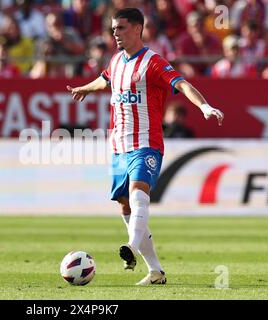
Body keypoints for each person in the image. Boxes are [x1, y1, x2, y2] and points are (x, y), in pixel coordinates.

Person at [67, 8, 224, 286]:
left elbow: (182, 83)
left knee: (139, 192)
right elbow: (104, 80)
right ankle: (155, 272)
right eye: (114, 28)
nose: (115, 33)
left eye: (121, 28)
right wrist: (85, 88)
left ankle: (129, 245)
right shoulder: (116, 61)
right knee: (124, 204)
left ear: (138, 29)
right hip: (118, 145)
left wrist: (204, 106)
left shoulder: (153, 62)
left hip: (146, 142)